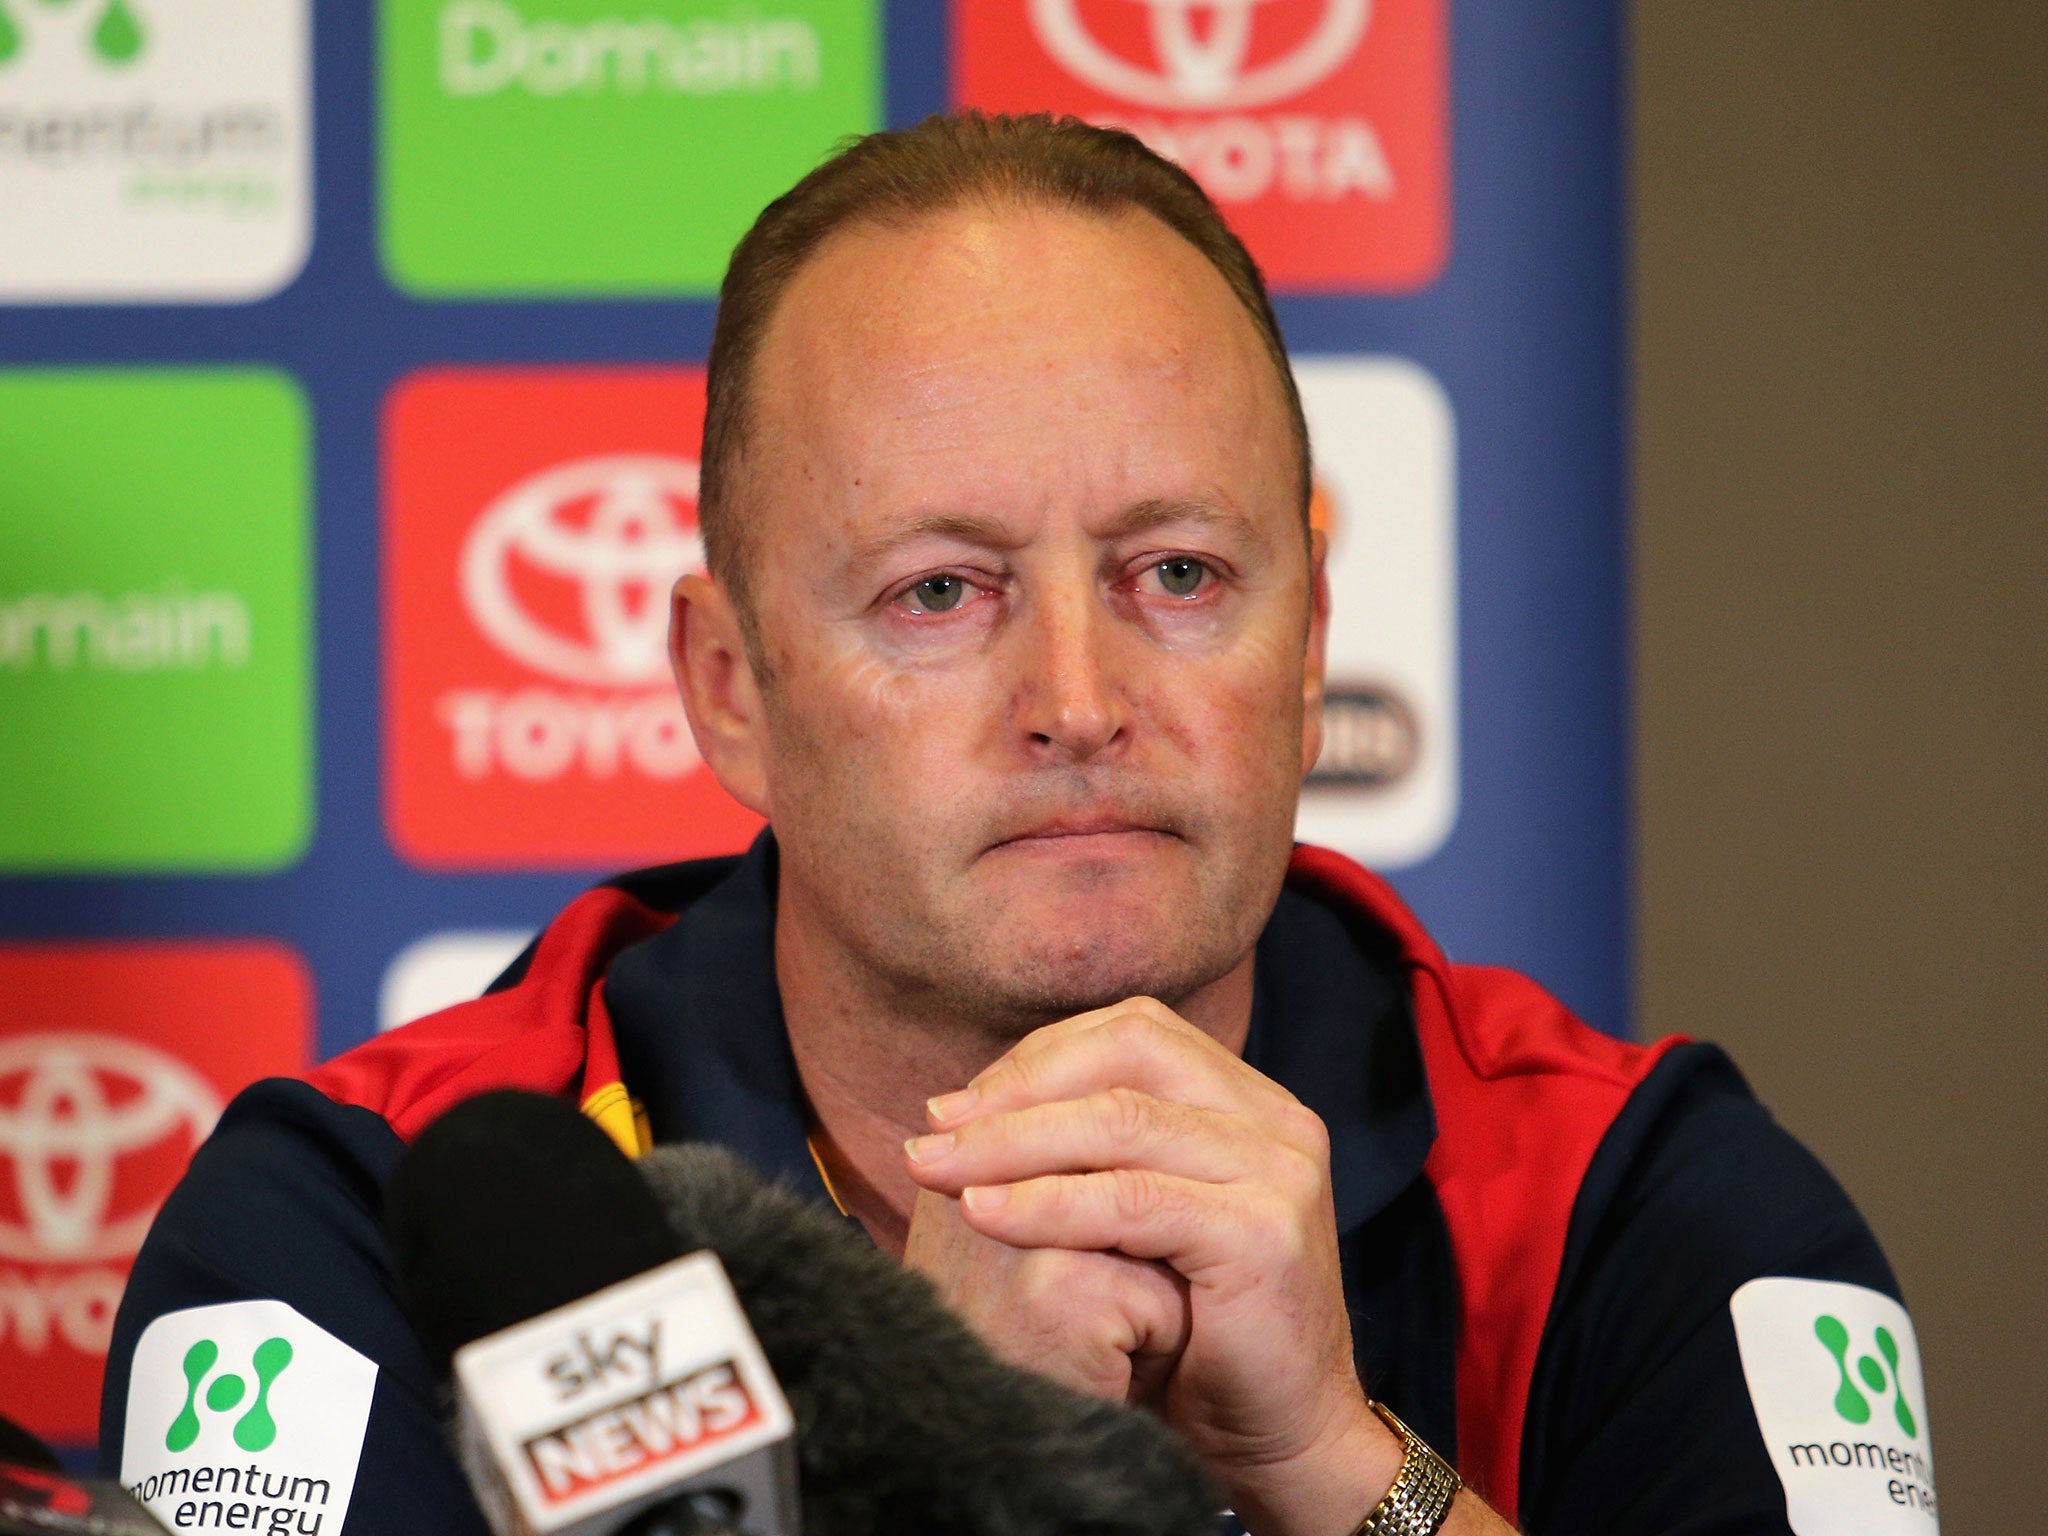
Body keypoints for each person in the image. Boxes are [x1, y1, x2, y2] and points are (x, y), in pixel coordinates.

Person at [102, 115, 1918, 1536]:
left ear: (1310, 656)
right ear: (729, 689)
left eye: (1181, 573)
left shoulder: (1636, 1202)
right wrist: (941, 1449)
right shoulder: (375, 1218)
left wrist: (1334, 1466)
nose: (1078, 691)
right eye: (940, 593)